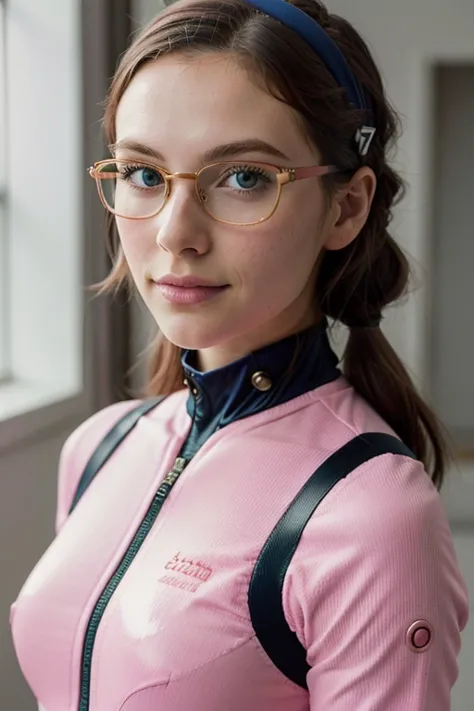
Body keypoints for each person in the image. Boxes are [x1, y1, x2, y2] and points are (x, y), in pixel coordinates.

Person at [10, 0, 469, 709]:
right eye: (143, 172)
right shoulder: (100, 445)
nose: (175, 233)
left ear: (346, 207)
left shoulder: (370, 513)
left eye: (244, 177)